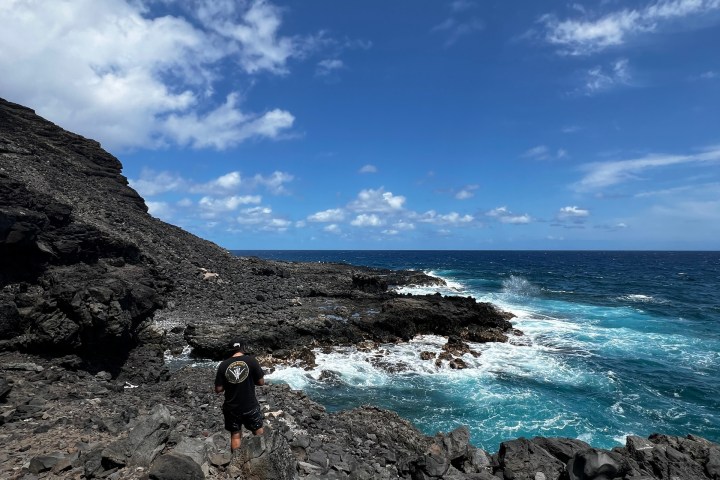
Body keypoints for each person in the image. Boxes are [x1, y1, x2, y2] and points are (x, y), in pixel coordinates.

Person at [214, 339, 265, 453]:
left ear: (231, 350)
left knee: (235, 435)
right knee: (258, 430)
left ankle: (236, 463)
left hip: (232, 407)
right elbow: (261, 382)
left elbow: (218, 389)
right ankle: (265, 456)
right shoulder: (251, 361)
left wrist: (230, 382)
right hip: (250, 405)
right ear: (243, 348)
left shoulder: (223, 365)